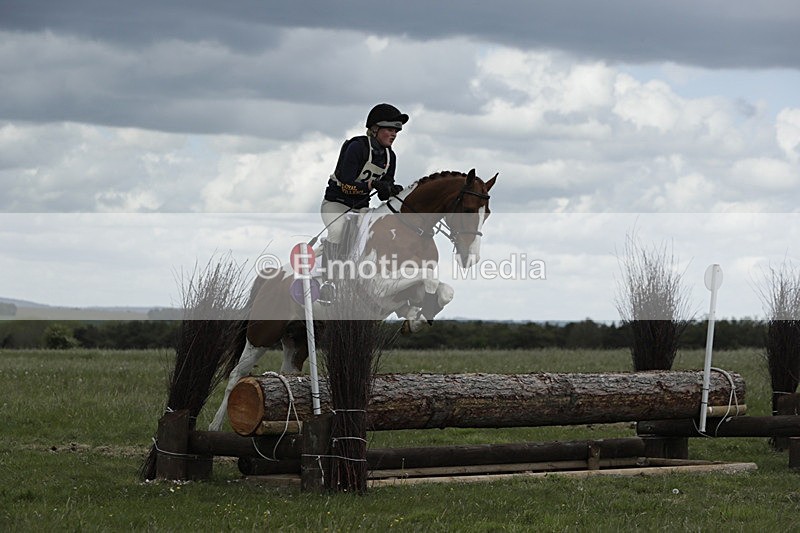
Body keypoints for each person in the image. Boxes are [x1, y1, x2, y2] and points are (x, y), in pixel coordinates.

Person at [318, 103, 407, 301]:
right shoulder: (356, 147)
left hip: (361, 208)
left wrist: (391, 190)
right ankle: (328, 282)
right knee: (338, 231)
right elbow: (346, 183)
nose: (394, 135)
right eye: (390, 130)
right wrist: (372, 184)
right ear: (375, 129)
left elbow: (384, 194)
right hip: (337, 204)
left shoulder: (390, 157)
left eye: (396, 131)